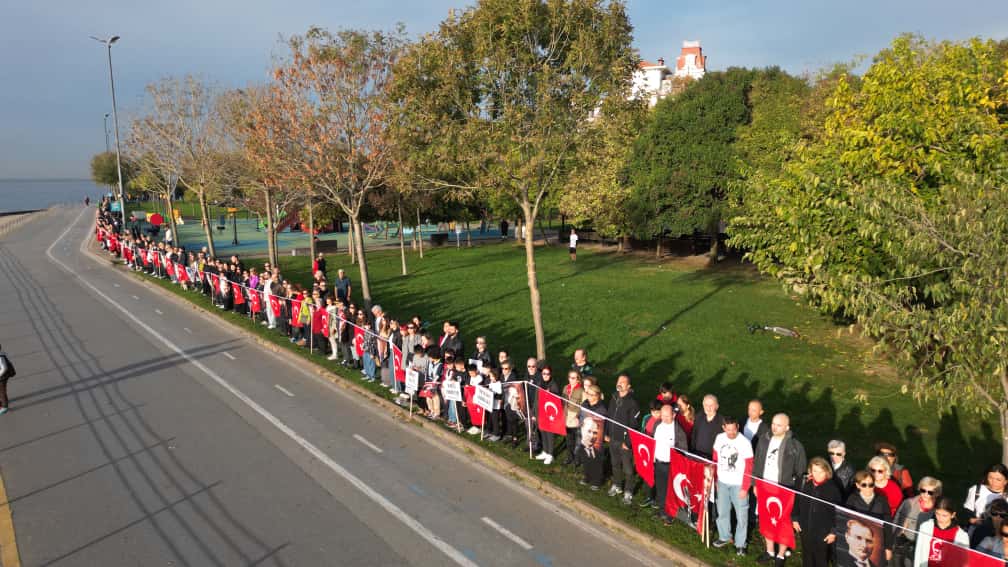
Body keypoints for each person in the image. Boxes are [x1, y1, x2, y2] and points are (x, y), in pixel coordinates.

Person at [753, 413, 807, 565]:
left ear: (787, 427)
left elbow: (800, 471)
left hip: (784, 490)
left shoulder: (795, 446)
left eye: (779, 425)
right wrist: (755, 484)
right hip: (764, 487)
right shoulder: (764, 439)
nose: (774, 427)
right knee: (766, 519)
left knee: (783, 523)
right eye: (773, 424)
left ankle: (781, 555)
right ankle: (770, 551)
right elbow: (757, 462)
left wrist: (795, 492)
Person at [712, 416, 753, 557]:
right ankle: (724, 536)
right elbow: (715, 459)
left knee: (742, 515)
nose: (731, 432)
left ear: (737, 427)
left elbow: (749, 466)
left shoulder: (744, 442)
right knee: (722, 511)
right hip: (722, 482)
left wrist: (745, 487)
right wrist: (716, 480)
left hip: (738, 484)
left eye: (733, 429)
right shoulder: (719, 438)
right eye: (728, 429)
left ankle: (740, 544)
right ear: (724, 428)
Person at [791, 457, 840, 567]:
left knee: (821, 558)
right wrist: (794, 518)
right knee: (807, 555)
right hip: (805, 527)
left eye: (821, 471)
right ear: (810, 471)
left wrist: (833, 531)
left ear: (827, 472)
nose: (817, 474)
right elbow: (797, 500)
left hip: (823, 531)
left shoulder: (832, 489)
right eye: (814, 471)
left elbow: (837, 513)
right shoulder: (805, 484)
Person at [891, 476, 943, 566]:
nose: (926, 494)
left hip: (923, 549)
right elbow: (896, 521)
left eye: (930, 492)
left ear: (937, 493)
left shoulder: (939, 510)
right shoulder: (909, 503)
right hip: (902, 545)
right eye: (923, 490)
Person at [606, 374, 640, 505]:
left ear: (629, 386)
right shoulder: (614, 397)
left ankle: (628, 491)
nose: (619, 383)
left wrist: (628, 442)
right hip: (612, 439)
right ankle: (617, 485)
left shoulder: (632, 403)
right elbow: (609, 416)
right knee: (615, 464)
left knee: (628, 469)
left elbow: (634, 425)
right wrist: (607, 433)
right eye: (618, 381)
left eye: (623, 382)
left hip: (624, 443)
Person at [653, 404, 687, 525]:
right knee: (661, 488)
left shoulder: (678, 431)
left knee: (670, 491)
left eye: (667, 416)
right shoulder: (657, 425)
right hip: (658, 462)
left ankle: (670, 514)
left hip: (671, 466)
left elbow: (683, 450)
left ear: (674, 415)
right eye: (662, 415)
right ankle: (662, 510)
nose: (664, 418)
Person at [913, 498, 968, 567]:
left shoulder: (961, 536)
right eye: (937, 513)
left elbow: (963, 562)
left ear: (953, 515)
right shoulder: (925, 527)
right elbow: (918, 553)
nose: (940, 518)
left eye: (944, 515)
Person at [964, 464, 1008, 532]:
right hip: (977, 531)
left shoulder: (1006, 496)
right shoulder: (976, 490)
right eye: (990, 477)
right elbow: (968, 510)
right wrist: (973, 520)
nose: (993, 482)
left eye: (998, 479)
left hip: (1000, 534)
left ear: (1005, 481)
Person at [534, 365, 562, 465]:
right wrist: (534, 413)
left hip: (549, 415)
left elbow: (556, 400)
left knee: (549, 434)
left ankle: (550, 454)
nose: (545, 376)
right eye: (544, 374)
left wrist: (550, 394)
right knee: (543, 432)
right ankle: (545, 451)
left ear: (551, 375)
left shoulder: (553, 385)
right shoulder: (539, 383)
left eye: (547, 374)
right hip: (540, 413)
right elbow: (536, 400)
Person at [691, 394, 724, 459]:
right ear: (703, 406)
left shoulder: (722, 422)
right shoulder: (699, 417)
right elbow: (694, 435)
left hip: (712, 458)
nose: (708, 408)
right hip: (697, 455)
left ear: (717, 406)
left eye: (711, 405)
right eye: (706, 405)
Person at [562, 370, 584, 465]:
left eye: (574, 378)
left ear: (578, 379)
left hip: (575, 418)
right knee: (568, 440)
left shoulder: (581, 390)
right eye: (570, 377)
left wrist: (578, 416)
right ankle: (569, 457)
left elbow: (583, 406)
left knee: (577, 441)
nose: (571, 380)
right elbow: (562, 401)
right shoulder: (566, 388)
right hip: (566, 417)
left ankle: (577, 459)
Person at [0, 343, 14, 415]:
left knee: (2, 391)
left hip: (2, 377)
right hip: (3, 375)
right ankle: (2, 400)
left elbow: (4, 368)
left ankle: (4, 407)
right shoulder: (2, 352)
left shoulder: (0, 357)